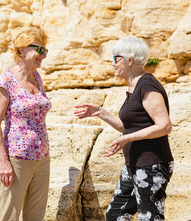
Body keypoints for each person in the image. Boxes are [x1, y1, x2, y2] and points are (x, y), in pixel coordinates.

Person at [74, 37, 174, 220]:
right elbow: (130, 129)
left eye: (115, 58)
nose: (113, 64)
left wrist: (127, 139)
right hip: (133, 165)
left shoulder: (147, 85)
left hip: (151, 165)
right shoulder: (133, 86)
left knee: (150, 217)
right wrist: (102, 113)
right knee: (116, 215)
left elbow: (164, 126)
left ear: (130, 60)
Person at [0, 26, 51, 221]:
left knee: (36, 217)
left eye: (45, 51)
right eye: (39, 50)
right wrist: (3, 162)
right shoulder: (6, 81)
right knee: (10, 216)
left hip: (42, 158)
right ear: (22, 49)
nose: (43, 55)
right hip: (17, 160)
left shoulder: (37, 77)